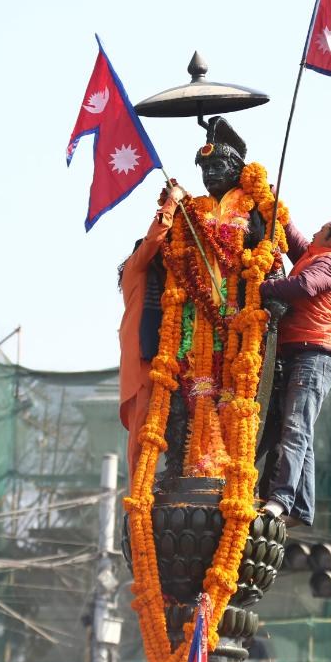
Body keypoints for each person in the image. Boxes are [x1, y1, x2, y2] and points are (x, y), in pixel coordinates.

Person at [258, 211, 331, 526]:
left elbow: (304, 286)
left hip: (313, 353)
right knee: (295, 427)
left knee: (295, 427)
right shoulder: (315, 254)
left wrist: (262, 288)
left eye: (321, 229)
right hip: (298, 351)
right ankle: (301, 507)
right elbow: (294, 238)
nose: (314, 232)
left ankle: (281, 498)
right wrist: (272, 203)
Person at [118, 182, 183, 483]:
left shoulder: (168, 284)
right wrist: (171, 203)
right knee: (144, 432)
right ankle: (138, 496)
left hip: (169, 362)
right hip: (143, 362)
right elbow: (154, 238)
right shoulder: (136, 269)